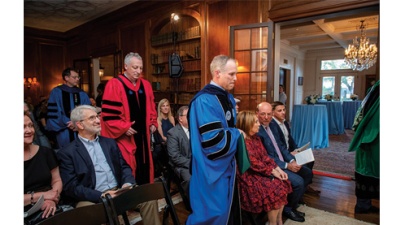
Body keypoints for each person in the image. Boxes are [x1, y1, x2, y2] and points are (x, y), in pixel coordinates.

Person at [57, 105, 161, 225]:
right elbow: (71, 187)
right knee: (87, 212)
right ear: (80, 125)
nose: (97, 121)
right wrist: (101, 195)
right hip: (92, 198)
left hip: (118, 191)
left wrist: (127, 184)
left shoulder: (109, 143)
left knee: (148, 198)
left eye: (97, 117)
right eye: (92, 118)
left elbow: (124, 167)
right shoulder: (68, 152)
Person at [186, 55, 243, 225]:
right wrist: (238, 133)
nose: (236, 78)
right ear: (217, 73)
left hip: (227, 166)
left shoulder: (227, 97)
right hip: (210, 169)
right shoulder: (204, 100)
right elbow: (213, 143)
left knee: (227, 211)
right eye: (231, 74)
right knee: (212, 214)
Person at [100, 52, 158, 185]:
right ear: (125, 66)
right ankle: (131, 197)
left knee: (145, 164)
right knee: (129, 166)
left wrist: (153, 122)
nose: (138, 71)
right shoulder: (114, 84)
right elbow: (109, 115)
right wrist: (124, 127)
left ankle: (145, 196)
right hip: (126, 138)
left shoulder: (146, 85)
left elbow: (152, 107)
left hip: (144, 136)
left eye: (140, 68)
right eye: (135, 67)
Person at [256, 102, 313, 223]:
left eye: (269, 114)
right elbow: (267, 157)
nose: (266, 117)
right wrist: (288, 165)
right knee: (298, 182)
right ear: (257, 114)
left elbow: (282, 147)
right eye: (263, 114)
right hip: (274, 166)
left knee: (307, 173)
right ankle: (288, 209)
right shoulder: (257, 130)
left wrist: (292, 160)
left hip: (283, 161)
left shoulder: (272, 125)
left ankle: (292, 203)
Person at [236, 110, 292, 225]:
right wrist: (272, 172)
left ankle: (278, 220)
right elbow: (254, 163)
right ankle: (272, 223)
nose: (259, 124)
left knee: (284, 182)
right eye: (256, 122)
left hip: (261, 171)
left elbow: (265, 157)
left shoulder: (256, 138)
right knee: (275, 189)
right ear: (247, 124)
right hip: (249, 175)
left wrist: (278, 169)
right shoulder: (243, 141)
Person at [270, 101, 320, 194]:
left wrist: (297, 149)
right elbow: (279, 146)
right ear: (273, 113)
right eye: (279, 111)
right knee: (306, 170)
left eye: (284, 110)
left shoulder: (284, 122)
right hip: (284, 155)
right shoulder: (272, 125)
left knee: (310, 159)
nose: (283, 112)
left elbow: (290, 139)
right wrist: (290, 154)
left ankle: (305, 187)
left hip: (290, 151)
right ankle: (301, 189)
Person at [24, 111, 63, 223]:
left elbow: (57, 180)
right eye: (23, 127)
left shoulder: (45, 152)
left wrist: (52, 200)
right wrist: (44, 196)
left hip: (49, 206)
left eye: (31, 126)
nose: (29, 130)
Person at [349, 80, 379, 214]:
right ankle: (362, 206)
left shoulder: (376, 89)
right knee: (367, 170)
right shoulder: (377, 90)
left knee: (367, 169)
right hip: (371, 137)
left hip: (370, 137)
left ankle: (364, 205)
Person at [46, 67, 91, 149]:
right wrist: (70, 123)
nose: (77, 79)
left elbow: (87, 111)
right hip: (64, 130)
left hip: (80, 129)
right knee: (66, 153)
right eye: (75, 77)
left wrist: (78, 123)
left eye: (78, 77)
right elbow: (55, 112)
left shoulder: (82, 93)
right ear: (66, 78)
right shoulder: (56, 92)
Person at [166, 105, 191, 194]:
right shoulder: (173, 133)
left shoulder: (195, 130)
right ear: (180, 118)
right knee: (191, 180)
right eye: (188, 115)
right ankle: (192, 204)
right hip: (182, 165)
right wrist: (192, 164)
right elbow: (175, 157)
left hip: (196, 162)